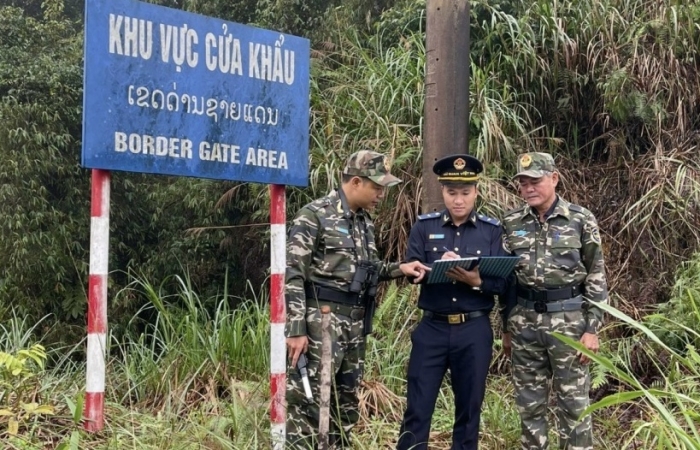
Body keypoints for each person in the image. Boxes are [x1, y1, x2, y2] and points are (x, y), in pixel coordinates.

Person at [285, 150, 430, 449]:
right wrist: (296, 329)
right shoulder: (314, 216)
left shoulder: (365, 222)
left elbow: (368, 269)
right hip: (320, 322)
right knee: (310, 402)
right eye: (377, 188)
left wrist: (398, 269)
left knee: (345, 403)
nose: (381, 195)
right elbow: (293, 274)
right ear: (355, 182)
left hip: (353, 324)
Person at [397, 154, 515, 450]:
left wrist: (476, 281)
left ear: (476, 192)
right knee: (418, 407)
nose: (458, 200)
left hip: (473, 329)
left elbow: (502, 281)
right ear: (443, 193)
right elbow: (412, 272)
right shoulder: (424, 227)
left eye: (465, 193)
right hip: (432, 328)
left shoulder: (491, 231)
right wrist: (432, 266)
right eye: (451, 193)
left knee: (469, 410)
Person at [502, 152, 608, 450]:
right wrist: (506, 327)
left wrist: (592, 328)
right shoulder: (511, 222)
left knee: (573, 404)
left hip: (569, 322)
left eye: (535, 181)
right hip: (524, 323)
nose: (528, 189)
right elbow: (506, 279)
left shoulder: (580, 218)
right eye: (523, 183)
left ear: (554, 178)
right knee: (529, 405)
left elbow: (596, 274)